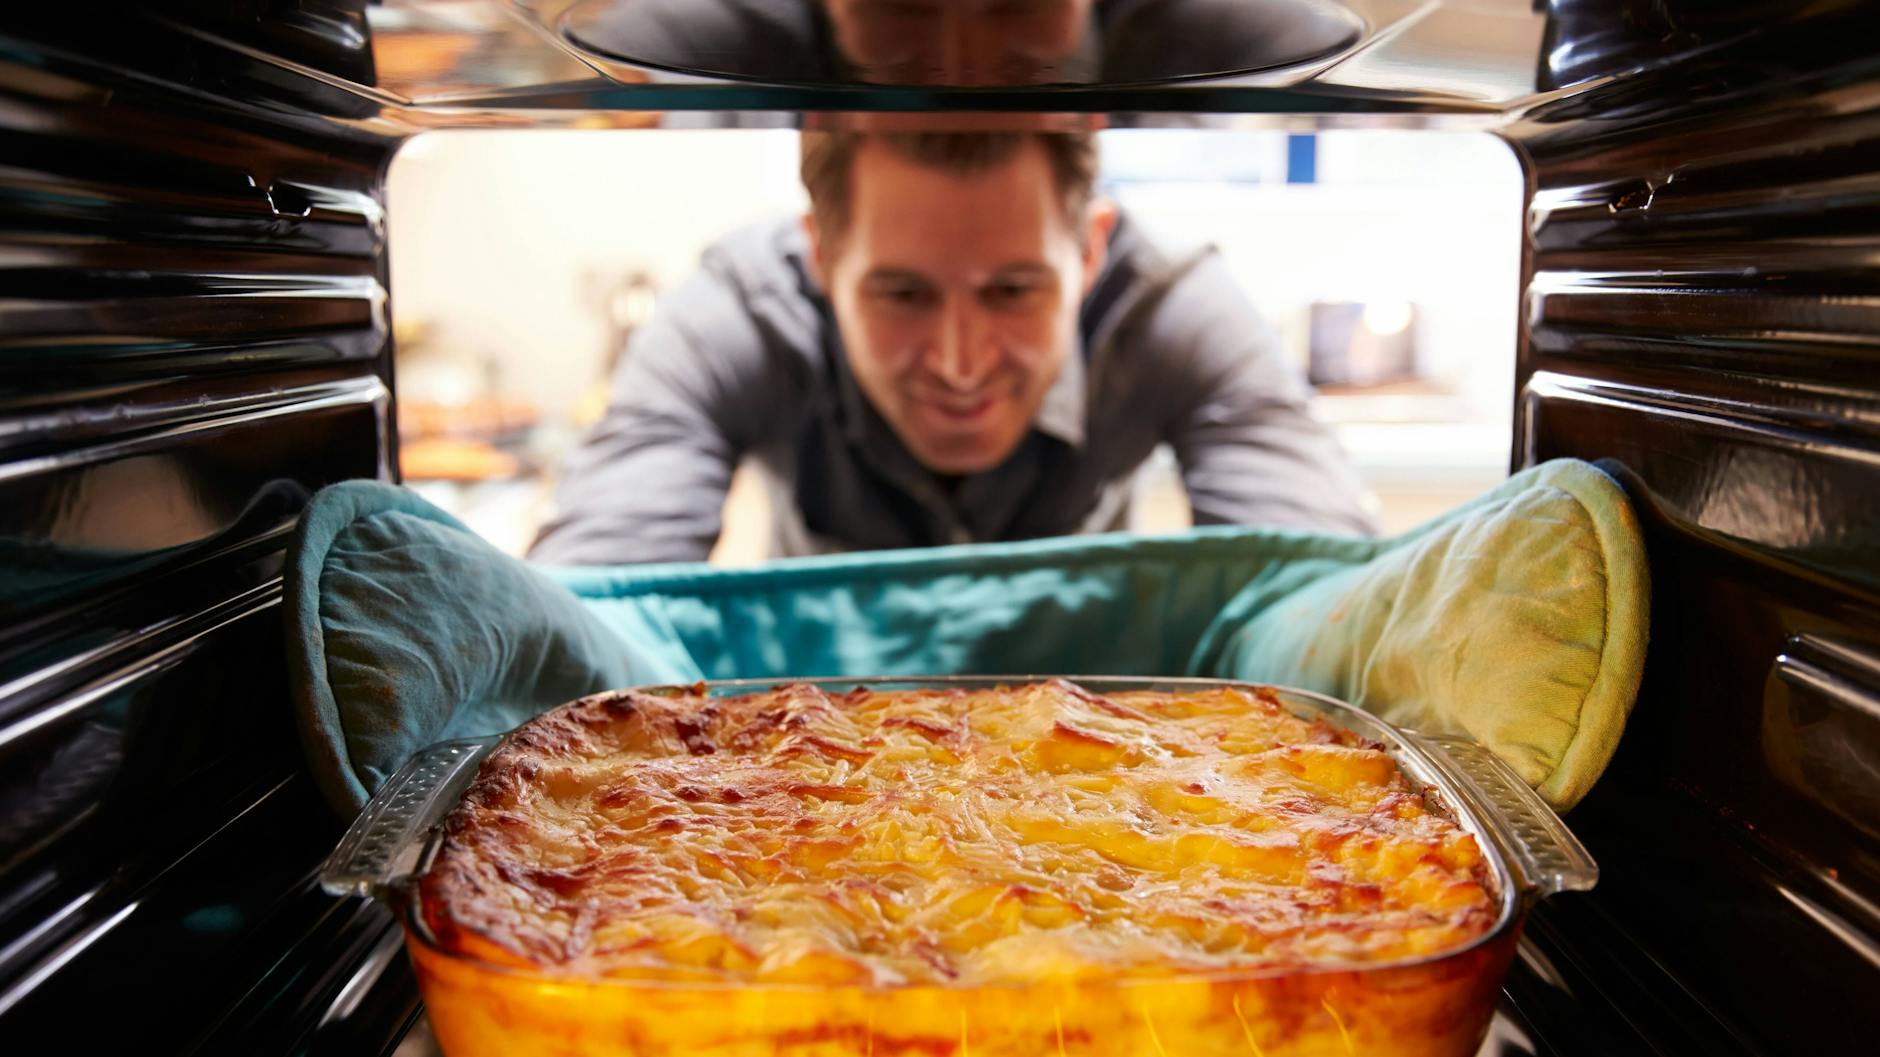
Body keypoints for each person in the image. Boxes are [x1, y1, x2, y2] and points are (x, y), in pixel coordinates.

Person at [529, 130, 1375, 565]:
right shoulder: (737, 314)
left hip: (1104, 808)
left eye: (1013, 291)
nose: (961, 362)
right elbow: (595, 593)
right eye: (903, 294)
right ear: (821, 254)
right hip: (802, 803)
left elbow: (1319, 589)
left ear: (1088, 251)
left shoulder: (1171, 311)